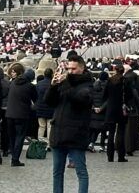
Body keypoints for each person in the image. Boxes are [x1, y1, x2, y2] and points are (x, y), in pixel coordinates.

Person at [46, 55, 93, 193]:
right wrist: (53, 87)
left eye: (73, 69)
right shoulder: (63, 83)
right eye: (68, 69)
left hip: (76, 135)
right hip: (58, 133)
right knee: (57, 173)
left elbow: (80, 98)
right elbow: (49, 102)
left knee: (81, 172)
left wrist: (65, 83)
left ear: (82, 68)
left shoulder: (88, 84)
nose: (70, 71)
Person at [5, 63, 37, 166]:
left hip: (9, 114)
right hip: (22, 114)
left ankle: (13, 155)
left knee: (12, 137)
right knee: (20, 137)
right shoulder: (30, 86)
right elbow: (36, 99)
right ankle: (15, 159)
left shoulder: (13, 83)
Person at [103, 62, 128, 162]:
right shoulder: (125, 81)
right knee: (121, 133)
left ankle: (110, 156)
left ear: (115, 70)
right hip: (121, 109)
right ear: (123, 71)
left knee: (111, 133)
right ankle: (121, 156)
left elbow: (105, 95)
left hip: (111, 109)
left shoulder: (110, 81)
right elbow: (129, 95)